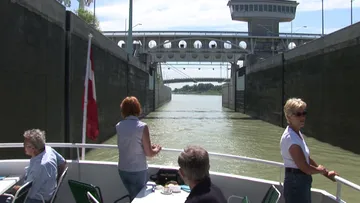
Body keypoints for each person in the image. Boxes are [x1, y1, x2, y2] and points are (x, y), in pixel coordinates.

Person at [280, 98, 338, 203]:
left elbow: (306, 158)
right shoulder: (291, 138)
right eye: (298, 114)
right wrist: (320, 170)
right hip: (296, 183)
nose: (302, 117)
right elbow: (305, 168)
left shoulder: (297, 134)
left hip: (300, 181)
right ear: (289, 116)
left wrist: (326, 173)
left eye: (304, 113)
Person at [0, 129, 67, 203]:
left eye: (25, 145)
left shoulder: (41, 166)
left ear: (33, 148)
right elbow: (63, 163)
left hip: (36, 200)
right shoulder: (48, 149)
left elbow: (27, 192)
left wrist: (14, 190)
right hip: (46, 195)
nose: (24, 147)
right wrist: (55, 183)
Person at [116, 96, 162, 201]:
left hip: (123, 169)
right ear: (138, 109)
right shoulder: (142, 126)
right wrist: (157, 149)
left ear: (123, 110)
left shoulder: (118, 126)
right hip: (137, 170)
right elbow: (149, 153)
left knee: (133, 196)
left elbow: (129, 144)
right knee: (139, 199)